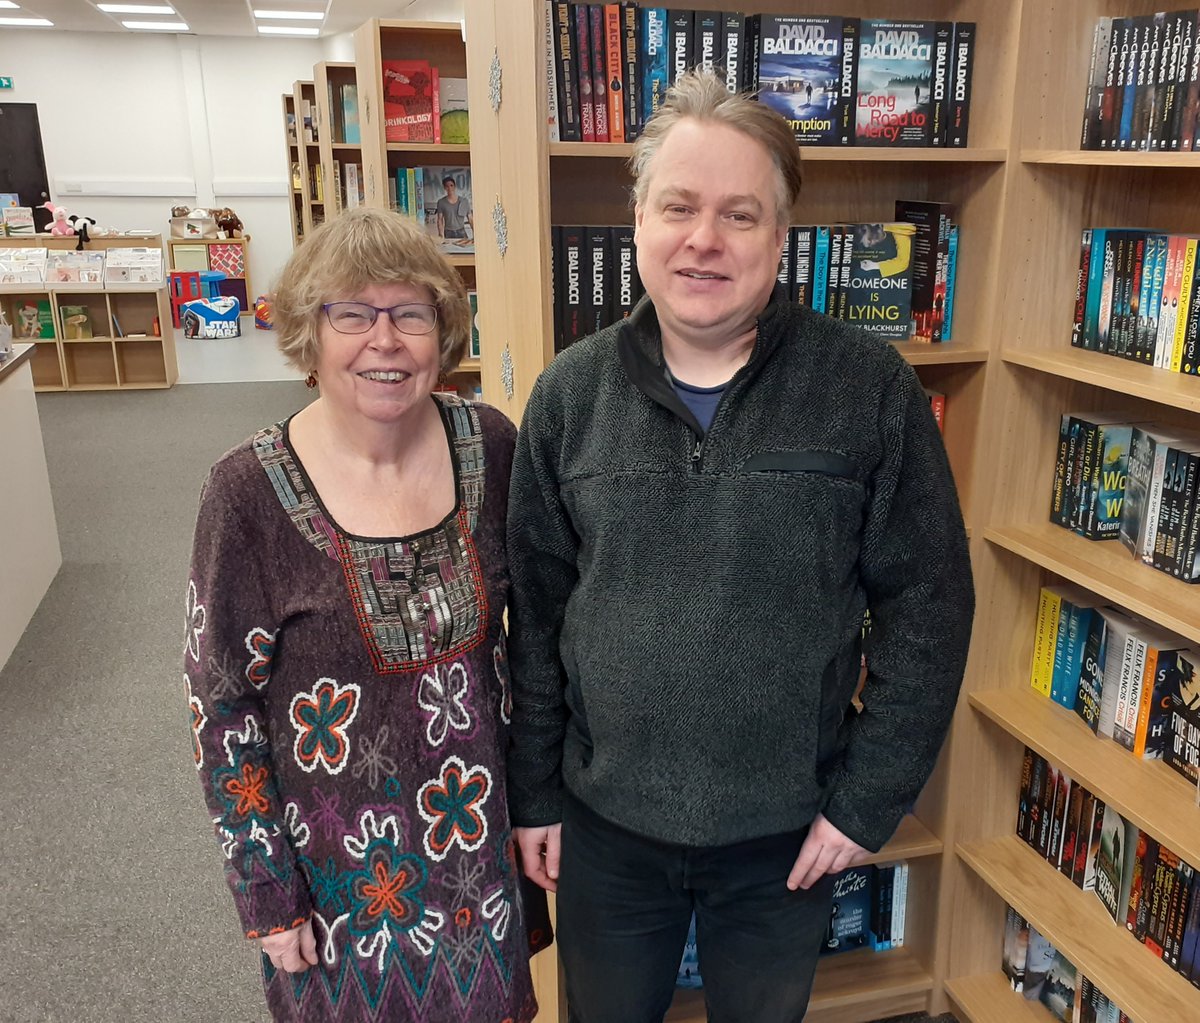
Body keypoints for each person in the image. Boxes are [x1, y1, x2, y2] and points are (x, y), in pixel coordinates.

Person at [505, 69, 973, 1022]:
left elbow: (930, 605)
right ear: (639, 221)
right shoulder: (568, 396)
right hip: (605, 828)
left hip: (786, 838)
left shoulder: (869, 391)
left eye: (739, 214)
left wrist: (867, 799)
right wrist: (536, 792)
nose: (704, 239)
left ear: (781, 236)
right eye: (678, 206)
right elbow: (538, 618)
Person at [185, 207, 548, 1022]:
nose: (384, 340)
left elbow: (532, 647)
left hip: (477, 868)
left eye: (411, 313)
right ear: (309, 334)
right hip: (338, 888)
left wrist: (538, 801)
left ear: (442, 332)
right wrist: (266, 891)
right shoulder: (246, 494)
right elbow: (220, 708)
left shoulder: (492, 446)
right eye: (351, 313)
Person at [435, 175, 473, 245]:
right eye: (447, 186)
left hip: (461, 231)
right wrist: (441, 235)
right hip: (448, 232)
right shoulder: (441, 202)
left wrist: (475, 234)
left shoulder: (464, 201)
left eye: (451, 185)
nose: (449, 188)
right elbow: (440, 220)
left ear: (455, 186)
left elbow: (470, 218)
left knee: (465, 250)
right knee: (449, 250)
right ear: (444, 188)